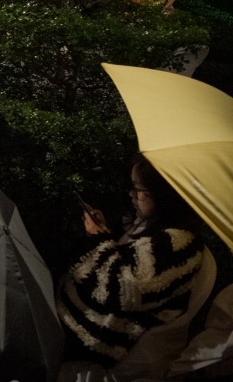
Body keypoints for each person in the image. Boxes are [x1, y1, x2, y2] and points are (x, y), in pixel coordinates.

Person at [57, 156, 207, 368]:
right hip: (71, 321)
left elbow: (123, 291)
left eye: (139, 190)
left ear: (165, 196)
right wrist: (104, 232)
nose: (132, 195)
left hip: (89, 341)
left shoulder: (178, 245)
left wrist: (98, 239)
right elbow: (123, 258)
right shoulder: (145, 223)